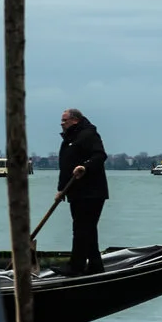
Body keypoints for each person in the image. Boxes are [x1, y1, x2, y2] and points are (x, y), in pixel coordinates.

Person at [56, 108, 110, 275]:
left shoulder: (88, 135)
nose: (61, 123)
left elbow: (100, 156)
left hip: (91, 192)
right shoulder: (71, 138)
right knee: (88, 230)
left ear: (75, 120)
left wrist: (85, 167)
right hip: (76, 192)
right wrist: (61, 189)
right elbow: (66, 166)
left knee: (81, 229)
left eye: (64, 120)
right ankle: (95, 266)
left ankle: (75, 267)